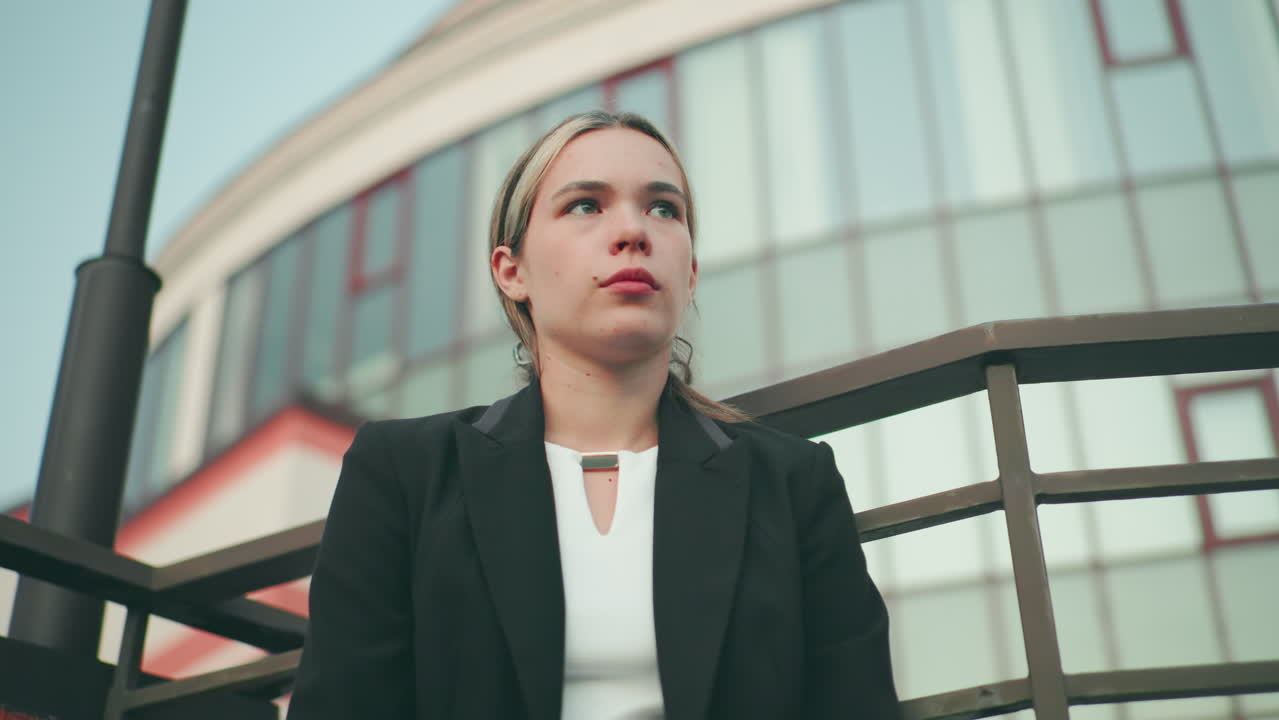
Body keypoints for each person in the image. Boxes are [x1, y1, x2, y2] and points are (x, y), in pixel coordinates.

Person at [287, 110, 901, 719]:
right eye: (585, 205)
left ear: (688, 274)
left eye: (664, 209)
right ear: (512, 271)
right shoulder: (404, 473)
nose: (634, 231)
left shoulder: (793, 481)